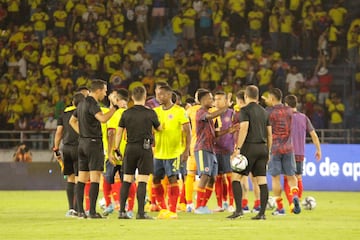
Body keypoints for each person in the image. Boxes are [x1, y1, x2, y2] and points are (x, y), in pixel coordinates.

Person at [69, 79, 119, 219]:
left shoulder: (82, 103)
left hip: (82, 144)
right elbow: (103, 119)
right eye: (104, 90)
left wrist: (83, 133)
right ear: (98, 90)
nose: (105, 93)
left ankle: (80, 211)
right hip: (93, 144)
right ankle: (92, 212)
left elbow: (72, 121)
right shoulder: (92, 103)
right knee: (95, 178)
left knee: (82, 178)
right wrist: (114, 108)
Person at [115, 85, 162, 220]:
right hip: (145, 148)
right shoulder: (150, 113)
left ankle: (122, 212)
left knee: (127, 180)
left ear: (131, 97)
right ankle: (141, 213)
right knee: (142, 180)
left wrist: (116, 148)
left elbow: (119, 132)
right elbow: (159, 128)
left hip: (130, 148)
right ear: (145, 96)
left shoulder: (126, 113)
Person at [227, 85, 272, 220]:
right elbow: (270, 134)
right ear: (257, 97)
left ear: (246, 96)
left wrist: (238, 149)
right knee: (262, 181)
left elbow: (244, 129)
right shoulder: (265, 112)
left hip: (249, 147)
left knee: (236, 178)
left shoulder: (244, 110)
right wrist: (268, 151)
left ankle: (239, 211)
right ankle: (262, 214)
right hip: (263, 148)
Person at [194, 90, 236, 214]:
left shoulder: (208, 114)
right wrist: (227, 106)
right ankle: (198, 207)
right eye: (210, 98)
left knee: (212, 178)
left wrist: (229, 130)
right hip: (202, 148)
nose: (212, 101)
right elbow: (211, 116)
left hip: (211, 149)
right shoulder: (201, 112)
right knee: (205, 175)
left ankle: (203, 205)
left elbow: (214, 134)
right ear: (202, 101)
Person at [153, 85, 191, 219]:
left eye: (162, 94)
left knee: (172, 178)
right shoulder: (155, 111)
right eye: (157, 94)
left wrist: (186, 150)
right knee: (156, 179)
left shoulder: (179, 111)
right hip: (158, 152)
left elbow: (188, 131)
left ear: (169, 95)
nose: (159, 97)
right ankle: (163, 209)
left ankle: (173, 211)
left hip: (174, 152)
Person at [263, 88, 301, 215]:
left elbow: (266, 130)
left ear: (272, 99)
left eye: (268, 98)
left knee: (275, 179)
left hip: (274, 149)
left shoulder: (268, 112)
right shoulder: (289, 111)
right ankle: (295, 196)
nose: (267, 100)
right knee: (291, 177)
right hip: (288, 148)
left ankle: (280, 208)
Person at [283, 94, 322, 209]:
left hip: (287, 152)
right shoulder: (304, 118)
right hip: (300, 154)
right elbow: (314, 135)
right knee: (298, 178)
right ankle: (298, 201)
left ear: (286, 105)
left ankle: (291, 203)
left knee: (288, 178)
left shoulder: (284, 117)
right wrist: (318, 150)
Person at [53, 92, 85, 217]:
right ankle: (78, 209)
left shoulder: (64, 115)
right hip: (79, 147)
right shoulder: (83, 114)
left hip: (66, 148)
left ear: (72, 102)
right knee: (79, 178)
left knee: (70, 178)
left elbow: (58, 132)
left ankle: (71, 209)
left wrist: (56, 148)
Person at [213, 91, 238, 212]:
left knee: (230, 178)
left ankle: (231, 204)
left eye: (219, 99)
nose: (216, 101)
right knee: (218, 178)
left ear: (225, 101)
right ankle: (220, 204)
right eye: (215, 99)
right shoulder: (211, 114)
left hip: (228, 150)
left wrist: (236, 148)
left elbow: (237, 131)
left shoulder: (232, 114)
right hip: (215, 150)